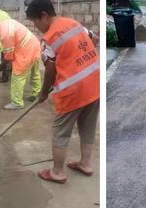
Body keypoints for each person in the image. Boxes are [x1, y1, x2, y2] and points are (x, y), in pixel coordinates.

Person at [26, 0, 100, 184]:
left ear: (44, 15)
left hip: (72, 91)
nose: (36, 27)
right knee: (88, 127)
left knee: (61, 132)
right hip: (94, 84)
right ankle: (86, 164)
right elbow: (95, 38)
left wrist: (43, 93)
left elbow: (50, 69)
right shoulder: (74, 23)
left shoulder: (49, 38)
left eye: (35, 22)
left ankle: (57, 173)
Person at [0, 16, 42, 109]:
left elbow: (9, 55)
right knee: (35, 72)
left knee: (17, 77)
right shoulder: (5, 23)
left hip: (26, 51)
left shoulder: (5, 34)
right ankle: (37, 93)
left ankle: (17, 102)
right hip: (35, 46)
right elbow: (9, 49)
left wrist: (3, 64)